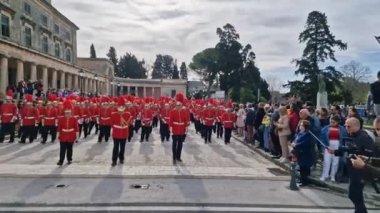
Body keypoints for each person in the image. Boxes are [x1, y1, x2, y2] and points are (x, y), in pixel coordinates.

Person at [329, 118, 374, 213]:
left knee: (354, 194)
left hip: (361, 172)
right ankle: (359, 211)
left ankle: (361, 211)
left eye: (348, 126)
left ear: (356, 126)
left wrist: (362, 159)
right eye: (345, 125)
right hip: (353, 171)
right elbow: (347, 150)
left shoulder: (364, 137)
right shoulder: (351, 136)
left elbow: (370, 154)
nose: (346, 128)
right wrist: (335, 151)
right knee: (354, 195)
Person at [320, 115, 347, 182]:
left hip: (337, 145)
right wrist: (324, 146)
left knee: (335, 162)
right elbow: (322, 138)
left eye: (333, 122)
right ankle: (325, 175)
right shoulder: (325, 128)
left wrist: (342, 148)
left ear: (337, 122)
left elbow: (344, 139)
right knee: (327, 161)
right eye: (331, 122)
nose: (332, 123)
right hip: (328, 145)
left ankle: (333, 176)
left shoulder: (342, 129)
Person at [291, 120, 314, 187]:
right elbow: (296, 138)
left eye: (301, 125)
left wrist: (296, 145)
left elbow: (305, 143)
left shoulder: (307, 134)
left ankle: (305, 181)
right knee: (301, 167)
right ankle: (302, 179)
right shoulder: (300, 132)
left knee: (304, 167)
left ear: (305, 126)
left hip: (305, 153)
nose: (300, 126)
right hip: (300, 152)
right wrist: (293, 142)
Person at [57, 99, 79, 166]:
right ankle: (61, 161)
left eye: (68, 113)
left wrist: (77, 136)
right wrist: (58, 135)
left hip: (71, 136)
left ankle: (69, 159)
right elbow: (59, 128)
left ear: (70, 113)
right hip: (63, 136)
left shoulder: (74, 119)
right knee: (62, 149)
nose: (67, 114)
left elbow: (77, 128)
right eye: (66, 113)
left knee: (69, 149)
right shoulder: (61, 119)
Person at [110, 97, 131, 166]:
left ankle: (121, 158)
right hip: (116, 134)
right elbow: (112, 124)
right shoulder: (113, 114)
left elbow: (129, 123)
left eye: (122, 107)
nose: (121, 109)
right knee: (115, 147)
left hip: (124, 133)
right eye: (120, 107)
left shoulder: (128, 114)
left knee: (122, 147)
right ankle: (114, 160)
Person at [169, 93, 189, 165]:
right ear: (176, 105)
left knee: (180, 144)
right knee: (174, 144)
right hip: (174, 129)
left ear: (182, 105)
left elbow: (186, 120)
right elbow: (170, 121)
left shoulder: (184, 111)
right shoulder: (173, 111)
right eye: (177, 105)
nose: (179, 107)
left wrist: (186, 128)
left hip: (181, 130)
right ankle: (174, 157)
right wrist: (171, 129)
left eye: (180, 105)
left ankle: (178, 157)